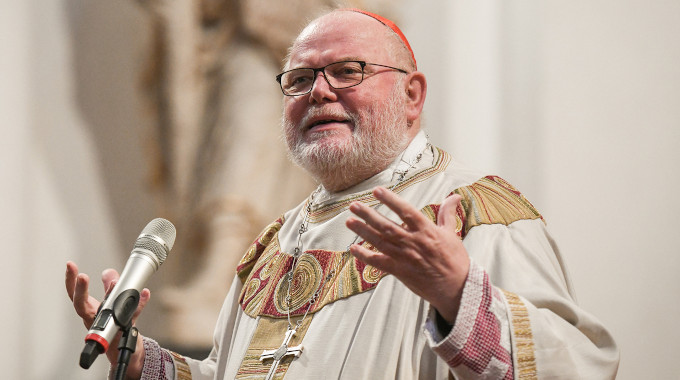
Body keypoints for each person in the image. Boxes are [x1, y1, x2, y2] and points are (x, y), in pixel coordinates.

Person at [66, 8, 620, 380]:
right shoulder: (273, 245)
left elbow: (583, 366)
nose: (319, 91)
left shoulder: (477, 211)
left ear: (412, 94)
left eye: (347, 71)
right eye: (299, 79)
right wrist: (138, 356)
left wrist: (458, 297)